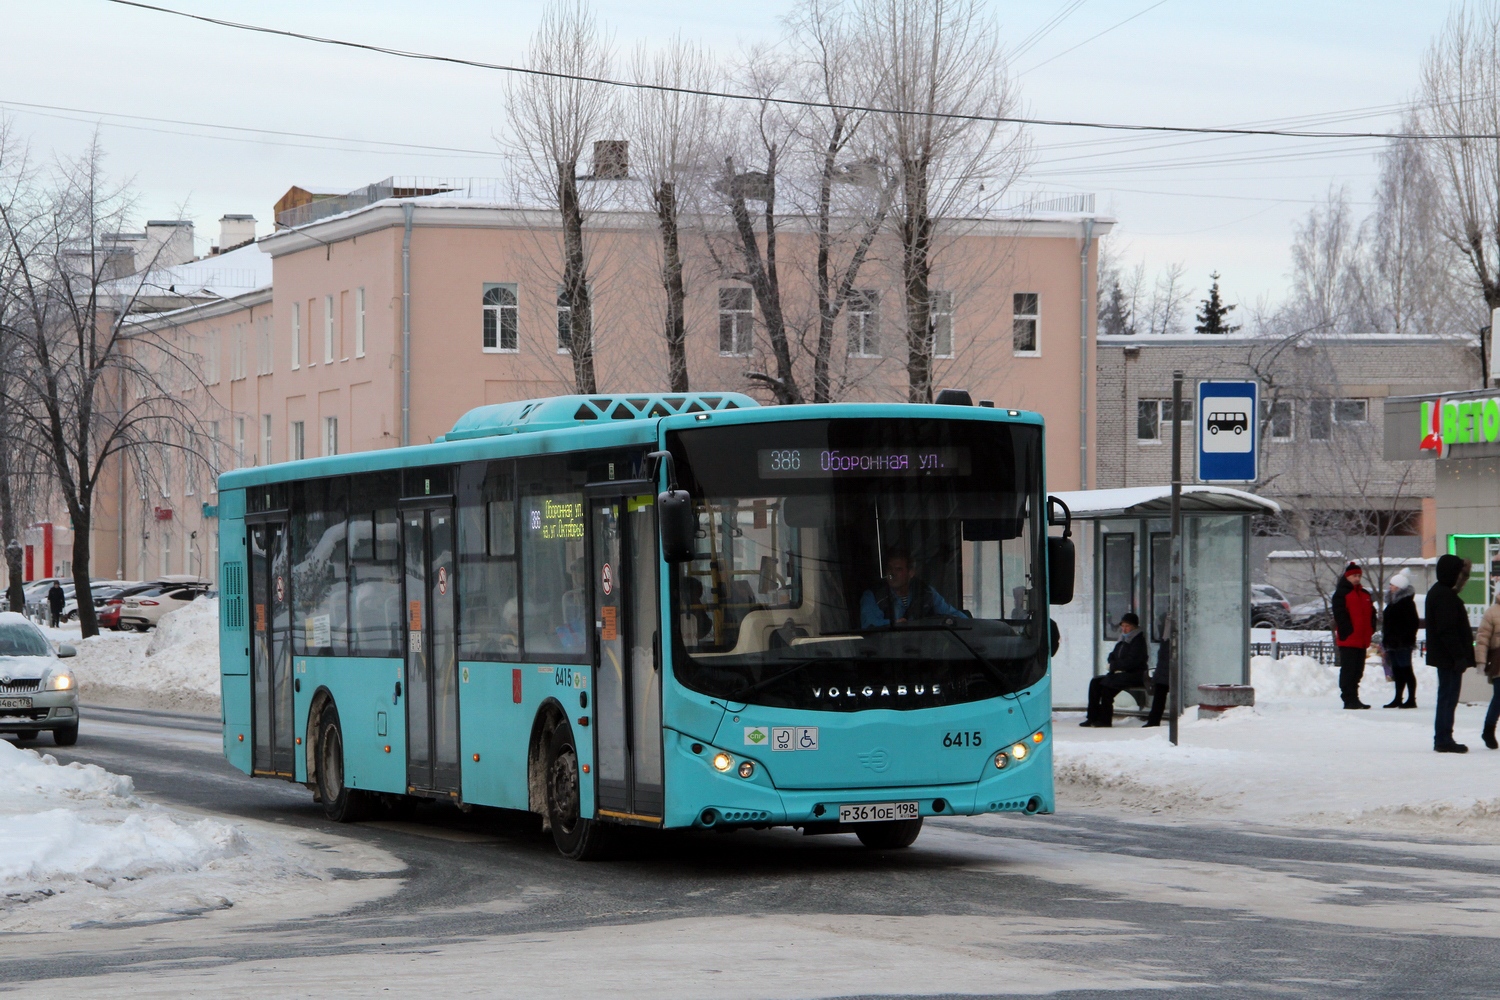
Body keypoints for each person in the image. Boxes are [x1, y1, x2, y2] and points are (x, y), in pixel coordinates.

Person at [1426, 554, 1475, 754]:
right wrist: (1458, 656)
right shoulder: (1445, 596)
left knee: (1446, 696)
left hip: (1446, 657)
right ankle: (1444, 738)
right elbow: (1447, 630)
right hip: (1449, 658)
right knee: (1448, 697)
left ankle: (1444, 737)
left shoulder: (1439, 593)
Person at [859, 547, 963, 627]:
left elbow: (952, 614)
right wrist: (894, 624)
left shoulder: (926, 592)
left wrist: (972, 625)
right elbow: (870, 624)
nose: (892, 574)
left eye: (898, 569)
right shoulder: (873, 595)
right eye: (889, 569)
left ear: (911, 573)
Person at [1081, 612, 1148, 727]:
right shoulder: (1122, 639)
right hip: (1119, 673)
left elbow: (1132, 661)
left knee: (1107, 687)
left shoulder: (1138, 641)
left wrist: (1114, 666)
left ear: (1134, 627)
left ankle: (1105, 720)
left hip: (1134, 674)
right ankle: (1092, 717)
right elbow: (1113, 654)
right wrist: (1112, 662)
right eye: (1123, 626)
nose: (1124, 629)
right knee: (1095, 682)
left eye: (1127, 626)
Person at [1332, 562, 1376, 709]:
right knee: (1349, 670)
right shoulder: (1342, 593)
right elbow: (1340, 614)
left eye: (1358, 576)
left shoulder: (1364, 594)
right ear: (1347, 577)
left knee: (1358, 671)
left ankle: (1354, 698)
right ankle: (1348, 698)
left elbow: (1372, 613)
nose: (1357, 578)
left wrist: (1371, 628)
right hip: (1349, 639)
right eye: (1354, 576)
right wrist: (1348, 630)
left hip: (1362, 639)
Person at [1381, 572, 1419, 709]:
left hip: (1402, 643)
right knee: (1397, 670)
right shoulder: (1391, 603)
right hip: (1392, 642)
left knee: (1406, 669)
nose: (1390, 587)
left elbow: (1412, 623)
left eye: (1393, 585)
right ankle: (1398, 697)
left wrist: (1405, 639)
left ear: (1399, 587)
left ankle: (1411, 699)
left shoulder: (1406, 603)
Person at [1475, 584, 1500, 750]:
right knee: (1499, 697)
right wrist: (1481, 661)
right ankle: (1488, 730)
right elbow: (1482, 638)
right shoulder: (1492, 612)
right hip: (1499, 661)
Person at [1144, 615, 1173, 728]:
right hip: (1164, 669)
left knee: (1160, 693)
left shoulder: (1167, 636)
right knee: (1160, 692)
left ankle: (1154, 720)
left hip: (1164, 670)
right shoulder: (1167, 636)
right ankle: (1153, 720)